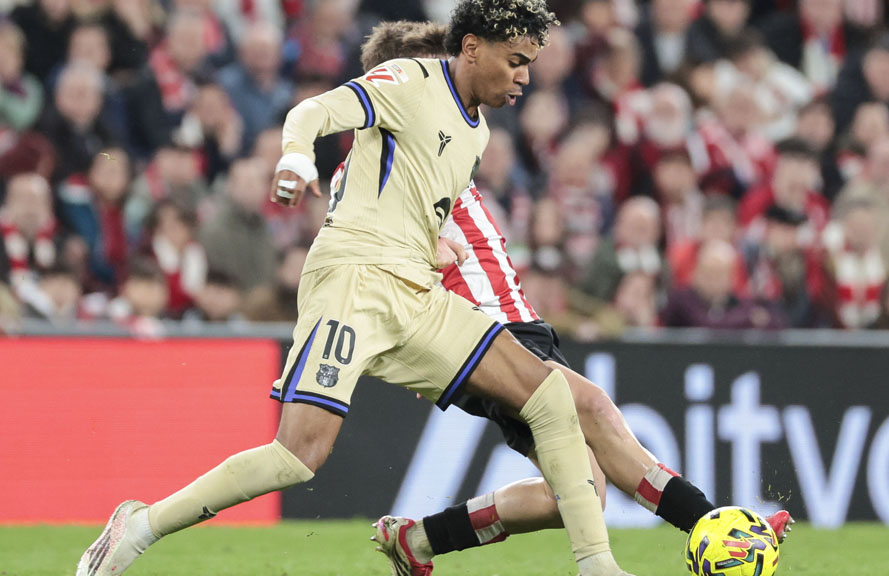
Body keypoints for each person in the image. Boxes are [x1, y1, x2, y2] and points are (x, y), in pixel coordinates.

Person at [75, 3, 637, 576]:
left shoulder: (478, 132)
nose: (524, 77)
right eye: (515, 61)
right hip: (354, 281)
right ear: (472, 48)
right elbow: (313, 111)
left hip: (416, 291)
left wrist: (433, 244)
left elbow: (412, 199)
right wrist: (297, 156)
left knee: (548, 392)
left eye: (530, 64)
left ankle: (597, 566)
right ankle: (140, 525)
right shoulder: (408, 79)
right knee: (298, 457)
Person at [353, 21, 793, 576]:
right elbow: (372, 258)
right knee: (594, 408)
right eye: (435, 71)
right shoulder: (388, 163)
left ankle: (417, 540)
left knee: (578, 491)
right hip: (479, 334)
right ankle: (714, 526)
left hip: (515, 324)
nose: (451, 80)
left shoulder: (444, 148)